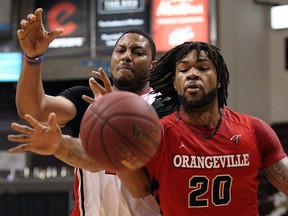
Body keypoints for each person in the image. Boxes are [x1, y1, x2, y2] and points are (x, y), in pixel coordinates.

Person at [9, 7, 172, 216]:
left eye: (138, 52)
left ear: (153, 65)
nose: (127, 57)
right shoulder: (87, 99)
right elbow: (34, 109)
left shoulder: (163, 107)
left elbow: (139, 184)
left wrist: (108, 120)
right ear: (112, 58)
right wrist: (33, 57)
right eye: (120, 51)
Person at [120, 41, 288, 216]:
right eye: (184, 70)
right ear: (175, 83)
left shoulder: (254, 130)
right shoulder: (157, 134)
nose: (192, 75)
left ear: (219, 80)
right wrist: (112, 139)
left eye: (202, 68)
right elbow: (139, 190)